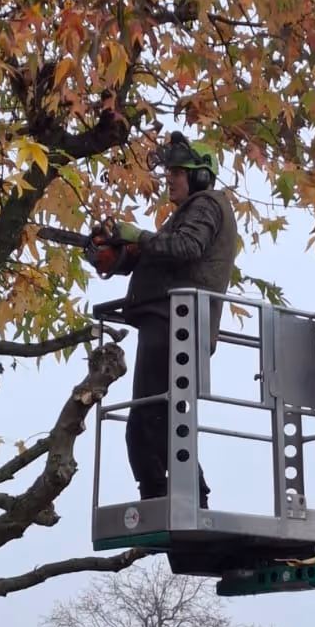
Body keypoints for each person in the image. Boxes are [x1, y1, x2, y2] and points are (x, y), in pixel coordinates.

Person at [101, 132, 237, 506]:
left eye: (179, 171)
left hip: (176, 324)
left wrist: (139, 236)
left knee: (151, 420)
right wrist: (117, 257)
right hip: (171, 323)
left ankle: (171, 498)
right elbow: (163, 257)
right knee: (157, 419)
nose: (170, 178)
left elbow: (186, 248)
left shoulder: (207, 204)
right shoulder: (187, 213)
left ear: (201, 176)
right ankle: (180, 496)